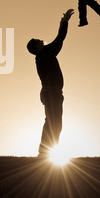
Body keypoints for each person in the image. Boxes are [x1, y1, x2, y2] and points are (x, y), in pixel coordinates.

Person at [26, 9, 74, 158]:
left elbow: (59, 41)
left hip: (52, 93)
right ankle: (45, 153)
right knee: (54, 123)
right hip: (51, 93)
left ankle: (46, 152)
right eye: (38, 41)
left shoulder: (44, 54)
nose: (41, 40)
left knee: (54, 123)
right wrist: (64, 21)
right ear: (37, 47)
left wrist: (63, 23)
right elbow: (60, 39)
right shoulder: (44, 53)